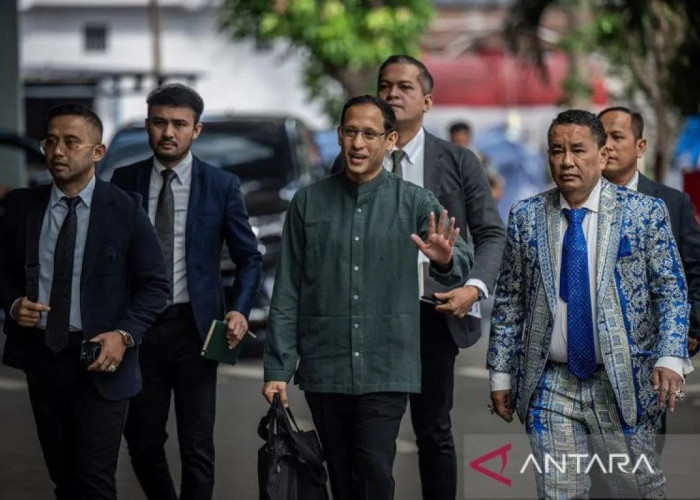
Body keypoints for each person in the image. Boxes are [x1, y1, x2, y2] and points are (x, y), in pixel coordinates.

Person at [263, 95, 474, 500]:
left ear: (390, 140)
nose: (358, 143)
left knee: (375, 469)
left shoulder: (414, 200)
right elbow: (287, 289)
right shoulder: (308, 202)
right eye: (350, 132)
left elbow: (460, 258)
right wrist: (278, 368)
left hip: (386, 364)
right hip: (325, 366)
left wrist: (445, 259)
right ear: (339, 135)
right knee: (341, 477)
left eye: (369, 134)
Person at [488, 109, 690, 498]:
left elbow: (670, 289)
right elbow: (510, 299)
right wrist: (500, 373)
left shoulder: (644, 213)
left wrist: (670, 355)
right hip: (551, 384)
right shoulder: (526, 216)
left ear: (602, 154)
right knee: (559, 492)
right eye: (557, 151)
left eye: (578, 150)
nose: (567, 161)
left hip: (623, 384)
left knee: (636, 489)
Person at [334, 55, 504, 500]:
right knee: (370, 439)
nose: (392, 94)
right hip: (368, 320)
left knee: (433, 431)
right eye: (385, 85)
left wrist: (473, 288)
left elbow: (491, 234)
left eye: (405, 87)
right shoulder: (350, 160)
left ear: (427, 101)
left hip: (435, 312)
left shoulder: (459, 161)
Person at [0, 104, 169, 499]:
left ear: (98, 152)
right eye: (50, 141)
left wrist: (124, 335)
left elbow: (155, 285)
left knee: (94, 480)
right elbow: (2, 273)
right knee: (64, 479)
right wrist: (14, 304)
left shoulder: (125, 209)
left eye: (71, 142)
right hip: (44, 357)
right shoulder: (24, 206)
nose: (58, 150)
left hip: (101, 359)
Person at [111, 84, 262, 500]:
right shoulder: (124, 180)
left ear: (197, 130)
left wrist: (239, 309)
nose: (168, 132)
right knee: (142, 441)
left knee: (197, 442)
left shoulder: (221, 185)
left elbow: (249, 258)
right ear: (147, 125)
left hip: (195, 330)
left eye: (179, 124)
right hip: (139, 330)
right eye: (159, 122)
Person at [599, 106, 700, 355]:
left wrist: (691, 328)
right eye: (601, 138)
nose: (607, 146)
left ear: (640, 147)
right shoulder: (577, 203)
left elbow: (695, 269)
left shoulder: (672, 203)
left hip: (656, 350)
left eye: (617, 137)